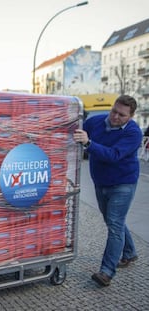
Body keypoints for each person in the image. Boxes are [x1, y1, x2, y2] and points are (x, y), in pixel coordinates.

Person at [73, 95, 142, 287]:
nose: (115, 117)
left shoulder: (133, 133)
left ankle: (107, 271)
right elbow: (76, 129)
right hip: (101, 182)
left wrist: (88, 143)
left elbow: (114, 155)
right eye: (114, 111)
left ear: (131, 116)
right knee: (113, 221)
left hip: (123, 183)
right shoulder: (96, 121)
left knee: (114, 224)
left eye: (121, 115)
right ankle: (129, 252)